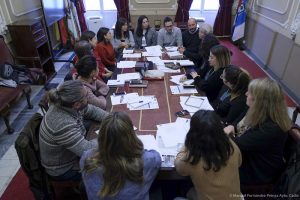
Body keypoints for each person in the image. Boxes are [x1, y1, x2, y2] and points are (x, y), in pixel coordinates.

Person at [224, 78, 292, 185]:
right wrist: (232, 125)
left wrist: (217, 132)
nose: (246, 93)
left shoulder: (271, 129)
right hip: (245, 155)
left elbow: (238, 144)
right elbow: (240, 117)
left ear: (259, 101)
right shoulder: (258, 109)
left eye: (249, 92)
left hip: (254, 172)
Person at [80, 112, 161, 200]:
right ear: (131, 135)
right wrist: (136, 146)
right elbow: (156, 156)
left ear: (101, 136)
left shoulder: (87, 158)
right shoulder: (148, 160)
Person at [39, 80, 108, 180]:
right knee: (112, 168)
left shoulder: (67, 103)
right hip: (64, 168)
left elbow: (92, 110)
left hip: (74, 152)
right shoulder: (62, 123)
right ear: (76, 104)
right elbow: (87, 151)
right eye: (86, 96)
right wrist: (112, 136)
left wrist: (112, 119)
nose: (88, 98)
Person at [175, 110, 242, 200]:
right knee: (191, 191)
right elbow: (239, 163)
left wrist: (188, 143)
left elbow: (179, 168)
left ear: (193, 133)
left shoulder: (193, 157)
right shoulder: (231, 145)